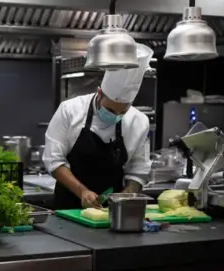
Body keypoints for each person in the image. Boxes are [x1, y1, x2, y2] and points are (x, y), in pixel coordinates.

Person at [44, 44, 154, 210]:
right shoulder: (70, 110)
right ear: (100, 93)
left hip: (111, 212)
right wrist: (82, 191)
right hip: (69, 207)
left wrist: (127, 195)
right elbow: (53, 160)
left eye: (121, 112)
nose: (115, 116)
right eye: (110, 110)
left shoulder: (139, 122)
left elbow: (140, 168)